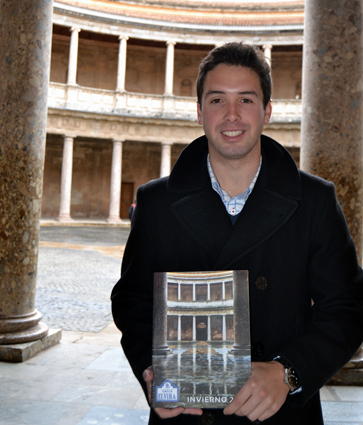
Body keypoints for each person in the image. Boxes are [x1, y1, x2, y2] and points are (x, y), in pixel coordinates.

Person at [111, 42, 363, 424]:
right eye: (216, 100)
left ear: (267, 111)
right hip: (186, 413)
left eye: (246, 100)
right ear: (199, 113)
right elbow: (133, 303)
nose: (232, 115)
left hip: (281, 413)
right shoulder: (155, 203)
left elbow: (347, 308)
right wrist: (152, 371)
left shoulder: (315, 200)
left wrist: (288, 372)